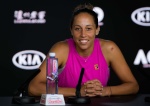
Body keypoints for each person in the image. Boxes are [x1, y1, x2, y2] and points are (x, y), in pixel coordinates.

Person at [28, 3, 139, 97]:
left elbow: (133, 85)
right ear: (71, 30)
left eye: (89, 29)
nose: (83, 35)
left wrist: (106, 91)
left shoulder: (109, 49)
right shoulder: (61, 49)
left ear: (97, 30)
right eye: (77, 29)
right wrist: (78, 92)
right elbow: (33, 87)